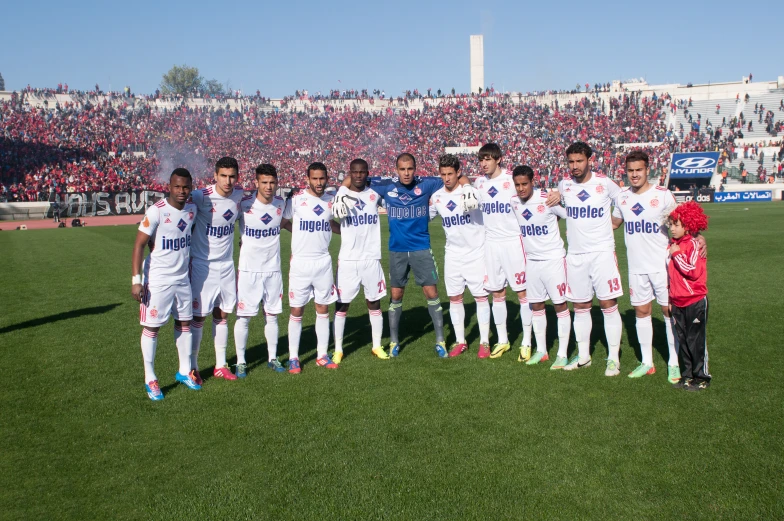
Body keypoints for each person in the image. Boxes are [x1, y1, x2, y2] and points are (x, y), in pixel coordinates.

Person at [334, 153, 478, 358]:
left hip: (421, 248)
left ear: (415, 168)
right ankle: (394, 341)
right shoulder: (385, 185)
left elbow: (456, 177)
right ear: (396, 170)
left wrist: (468, 187)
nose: (406, 173)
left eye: (410, 168)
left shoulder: (427, 184)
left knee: (432, 294)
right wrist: (341, 189)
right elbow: (356, 176)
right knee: (396, 296)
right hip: (397, 250)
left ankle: (440, 340)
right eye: (402, 169)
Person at [545, 141, 624, 376]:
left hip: (601, 253)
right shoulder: (564, 185)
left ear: (590, 160)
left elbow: (624, 204)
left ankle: (612, 359)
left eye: (579, 161)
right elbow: (564, 211)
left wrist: (614, 224)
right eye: (571, 162)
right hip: (576, 255)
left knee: (608, 304)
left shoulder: (604, 184)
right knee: (580, 306)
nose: (575, 166)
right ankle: (583, 356)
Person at [611, 151, 681, 382]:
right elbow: (614, 223)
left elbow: (680, 223)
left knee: (668, 312)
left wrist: (697, 239)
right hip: (637, 267)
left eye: (638, 170)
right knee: (642, 312)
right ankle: (647, 362)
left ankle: (674, 362)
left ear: (647, 169)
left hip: (662, 265)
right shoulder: (622, 197)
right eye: (630, 170)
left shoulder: (662, 195)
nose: (634, 175)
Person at [131, 168, 200, 401]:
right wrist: (136, 281)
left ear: (191, 187)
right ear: (169, 187)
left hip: (182, 279)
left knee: (185, 323)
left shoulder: (192, 209)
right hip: (158, 280)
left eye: (185, 187)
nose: (181, 191)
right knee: (152, 327)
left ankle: (184, 371)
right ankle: (150, 377)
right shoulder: (157, 211)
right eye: (177, 187)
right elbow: (139, 244)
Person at [474, 143, 532, 361]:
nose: (484, 164)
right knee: (497, 293)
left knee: (522, 293)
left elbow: (531, 196)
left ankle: (526, 342)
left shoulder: (510, 180)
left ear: (498, 159)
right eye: (481, 160)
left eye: (488, 159)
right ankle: (503, 340)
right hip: (491, 244)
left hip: (513, 242)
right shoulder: (479, 183)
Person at [428, 154, 491, 357]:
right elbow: (425, 218)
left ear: (458, 173)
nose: (447, 178)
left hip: (476, 253)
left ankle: (484, 342)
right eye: (443, 174)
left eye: (450, 174)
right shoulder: (437, 197)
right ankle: (460, 341)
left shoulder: (471, 192)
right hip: (452, 255)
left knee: (481, 297)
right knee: (455, 298)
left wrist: (469, 186)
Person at [189, 157, 245, 383]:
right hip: (203, 266)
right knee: (198, 317)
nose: (228, 180)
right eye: (223, 175)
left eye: (232, 176)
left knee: (223, 314)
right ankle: (192, 366)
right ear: (215, 175)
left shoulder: (239, 195)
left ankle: (220, 365)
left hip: (227, 265)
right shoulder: (200, 196)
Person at [509, 166, 572, 368]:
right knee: (536, 305)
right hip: (532, 262)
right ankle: (542, 351)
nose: (520, 188)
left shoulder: (547, 199)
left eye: (524, 184)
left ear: (532, 182)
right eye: (517, 184)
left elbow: (570, 215)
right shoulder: (513, 202)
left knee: (560, 305)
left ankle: (562, 354)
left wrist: (560, 197)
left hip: (553, 259)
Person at [283, 162, 341, 373]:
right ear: (307, 178)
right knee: (297, 310)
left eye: (322, 178)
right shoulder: (297, 200)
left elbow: (329, 224)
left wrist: (345, 232)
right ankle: (293, 357)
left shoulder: (330, 201)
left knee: (323, 308)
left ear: (326, 179)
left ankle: (322, 355)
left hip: (323, 262)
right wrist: (297, 234)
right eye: (315, 178)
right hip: (300, 262)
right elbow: (284, 221)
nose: (318, 182)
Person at [331, 159, 388, 362]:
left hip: (371, 258)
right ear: (350, 173)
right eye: (354, 172)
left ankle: (376, 346)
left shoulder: (375, 195)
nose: (358, 175)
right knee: (342, 305)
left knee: (374, 302)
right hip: (347, 259)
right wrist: (344, 233)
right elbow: (327, 220)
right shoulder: (341, 196)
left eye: (362, 172)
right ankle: (338, 349)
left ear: (367, 173)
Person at [233, 164, 287, 377]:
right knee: (244, 317)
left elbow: (286, 223)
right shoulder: (244, 204)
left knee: (272, 316)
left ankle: (272, 358)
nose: (268, 186)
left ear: (277, 183)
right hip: (248, 271)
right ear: (256, 182)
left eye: (272, 182)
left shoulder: (281, 204)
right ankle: (240, 361)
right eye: (264, 182)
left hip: (273, 270)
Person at [667, 202, 710, 391]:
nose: (672, 228)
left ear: (688, 225)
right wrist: (670, 298)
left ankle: (702, 377)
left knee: (696, 341)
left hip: (695, 300)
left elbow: (692, 271)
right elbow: (670, 276)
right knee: (683, 340)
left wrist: (677, 255)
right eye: (671, 224)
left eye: (677, 225)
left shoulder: (694, 244)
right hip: (677, 301)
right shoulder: (672, 244)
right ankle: (687, 376)